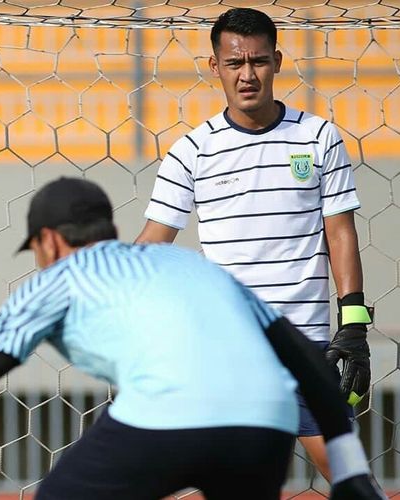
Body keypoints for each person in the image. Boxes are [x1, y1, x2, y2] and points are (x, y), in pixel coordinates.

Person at [0, 177, 383, 500]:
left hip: (164, 415)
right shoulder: (194, 264)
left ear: (49, 242)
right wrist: (350, 471)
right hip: (263, 424)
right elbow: (304, 358)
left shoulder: (54, 283)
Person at [135, 7, 373, 480]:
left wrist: (355, 326)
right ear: (214, 67)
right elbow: (153, 243)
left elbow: (340, 232)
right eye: (234, 63)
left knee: (352, 478)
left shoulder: (318, 137)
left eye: (259, 62)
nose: (247, 75)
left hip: (309, 350)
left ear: (278, 61)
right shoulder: (193, 151)